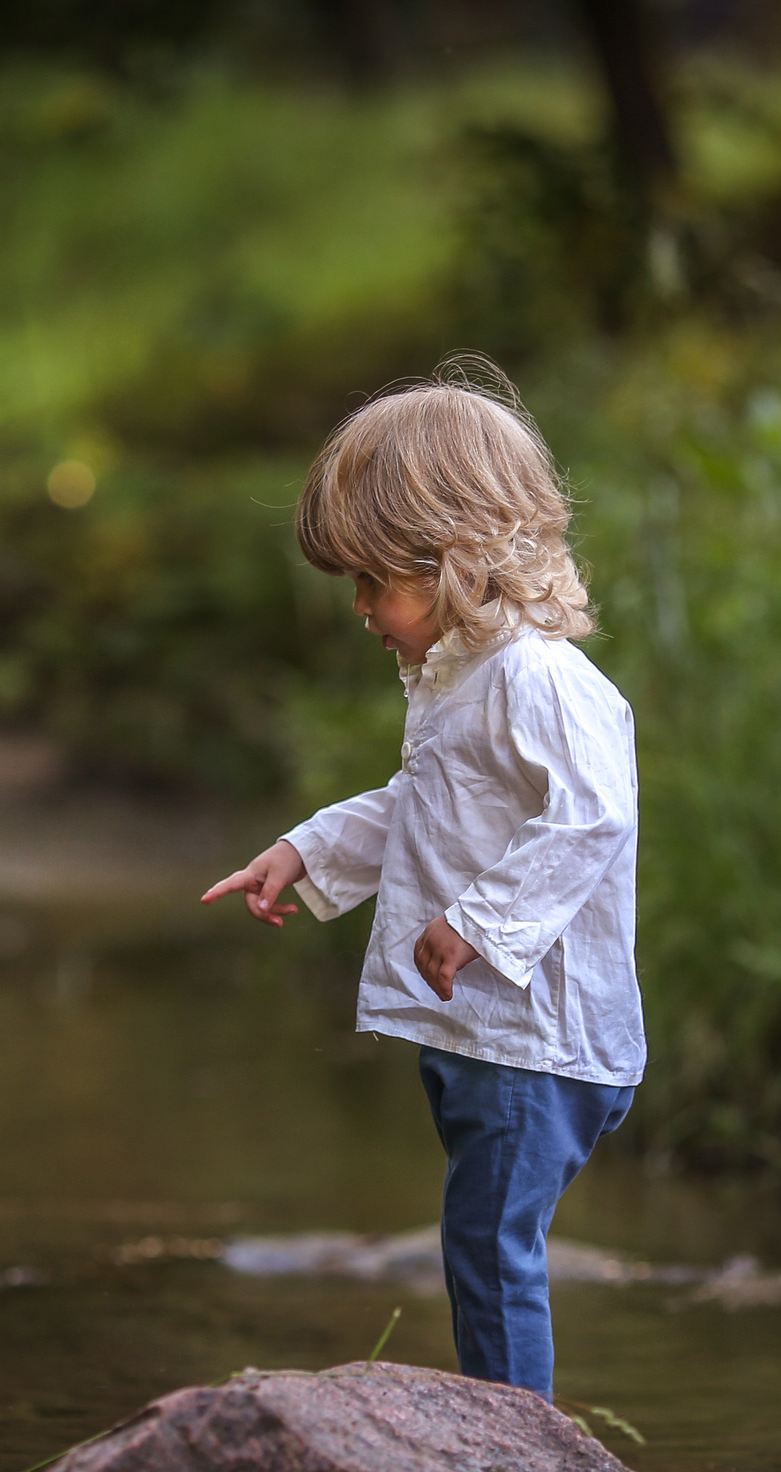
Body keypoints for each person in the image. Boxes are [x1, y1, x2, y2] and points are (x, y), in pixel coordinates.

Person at [202, 367, 643, 1401]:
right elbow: (423, 804)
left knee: (491, 1249)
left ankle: (515, 1448)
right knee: (474, 1240)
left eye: (372, 584)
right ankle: (505, 1432)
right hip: (480, 1027)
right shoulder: (459, 679)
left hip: (539, 1036)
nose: (360, 611)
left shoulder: (537, 678)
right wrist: (308, 851)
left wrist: (481, 923)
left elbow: (593, 816)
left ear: (457, 557)